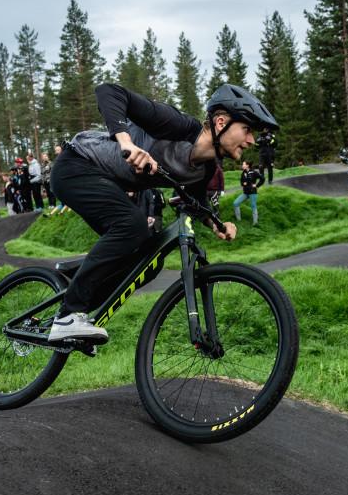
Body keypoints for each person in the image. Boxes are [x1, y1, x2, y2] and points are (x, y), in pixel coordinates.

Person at [46, 82, 274, 344]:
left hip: (107, 184)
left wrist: (215, 223)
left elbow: (196, 201)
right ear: (221, 122)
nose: (252, 140)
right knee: (131, 226)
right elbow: (108, 92)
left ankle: (79, 316)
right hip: (76, 166)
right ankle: (68, 315)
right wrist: (127, 143)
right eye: (247, 129)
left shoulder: (206, 169)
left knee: (150, 261)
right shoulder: (176, 125)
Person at [233, 160, 265, 225]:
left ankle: (255, 223)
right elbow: (241, 181)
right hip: (245, 193)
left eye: (243, 164)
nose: (242, 165)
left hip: (253, 192)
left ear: (247, 165)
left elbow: (262, 178)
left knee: (253, 206)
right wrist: (243, 184)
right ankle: (238, 221)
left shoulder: (254, 172)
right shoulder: (243, 172)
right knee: (235, 203)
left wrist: (257, 185)